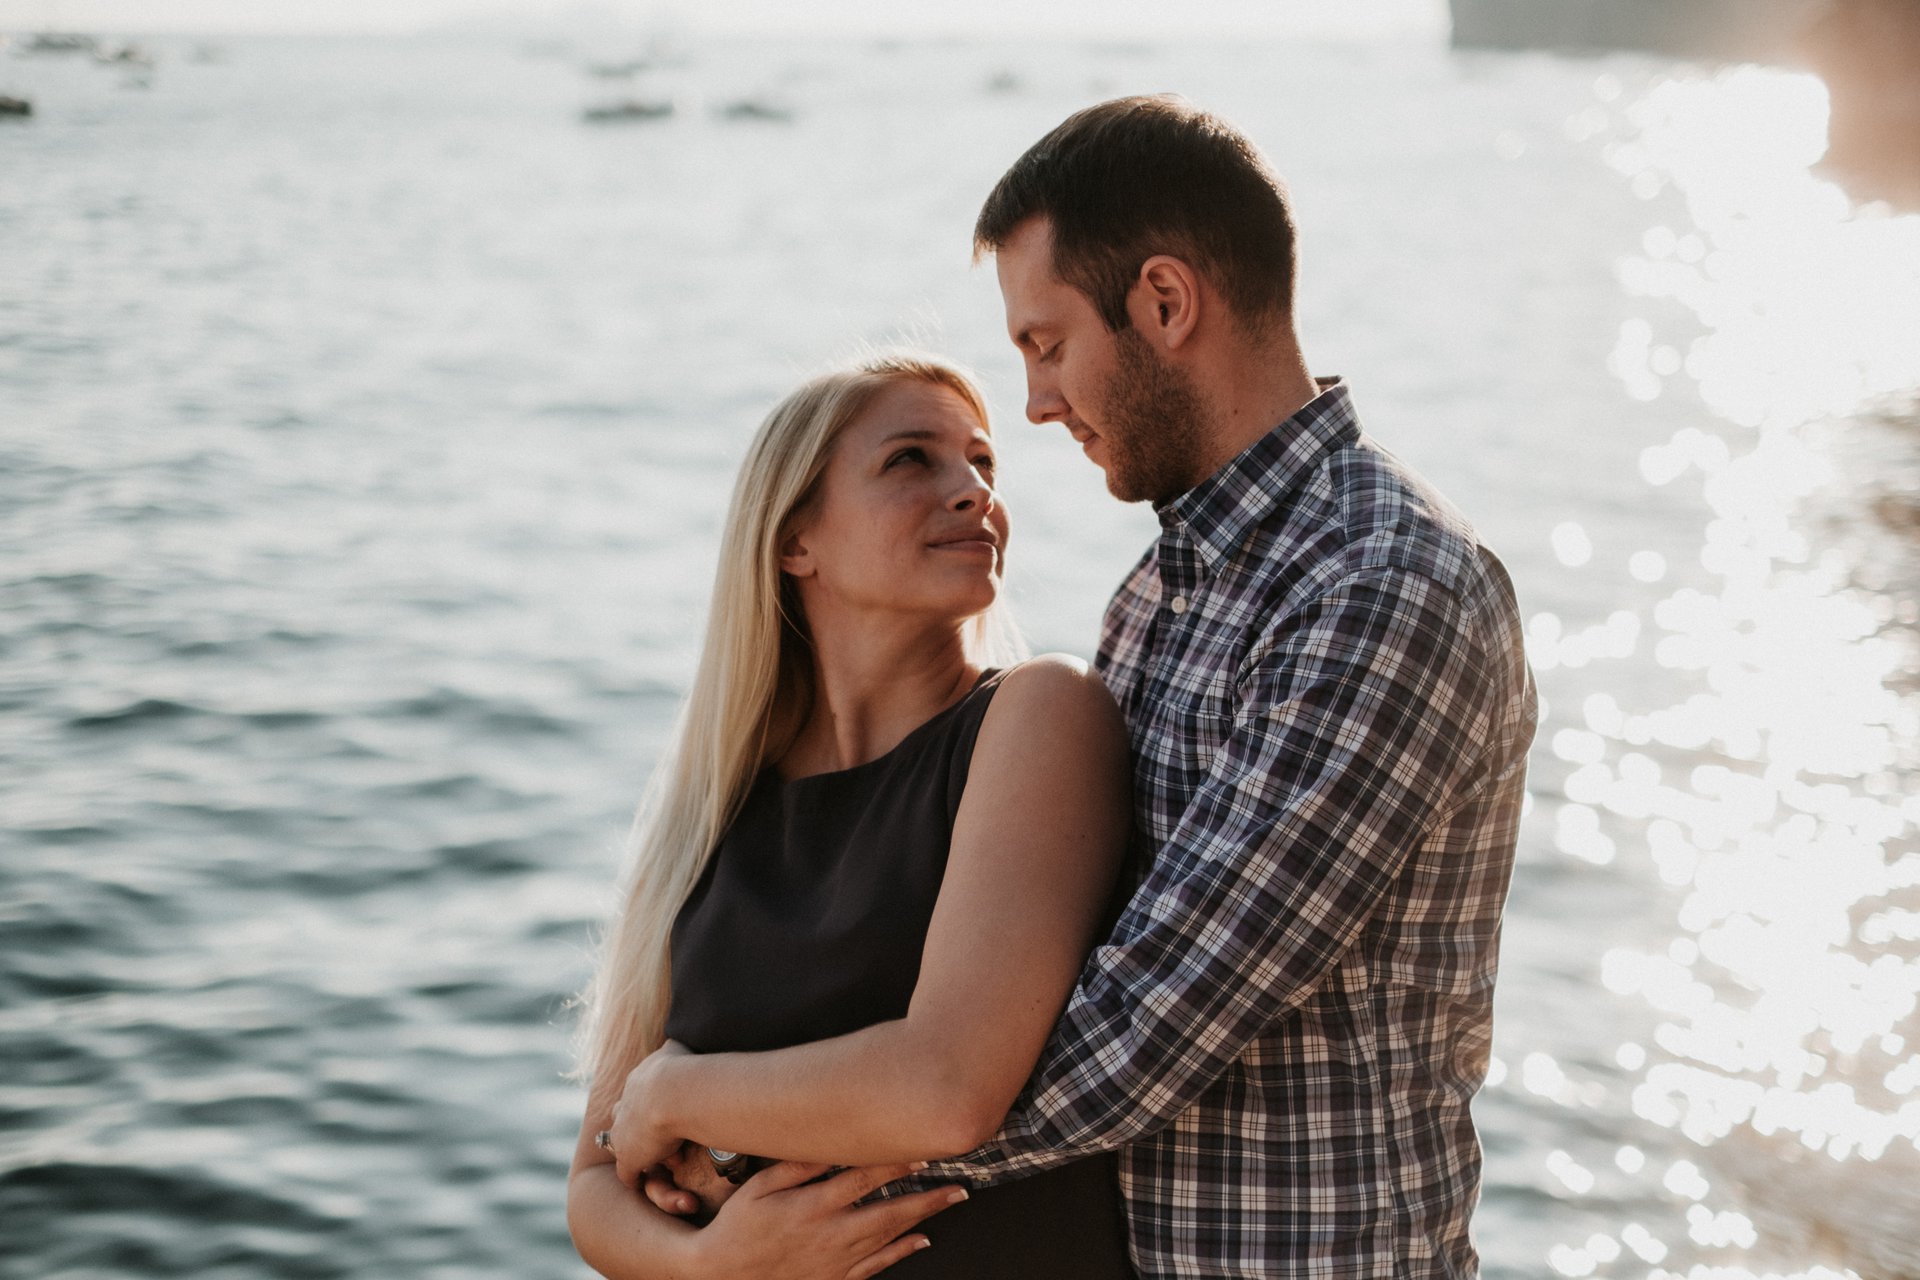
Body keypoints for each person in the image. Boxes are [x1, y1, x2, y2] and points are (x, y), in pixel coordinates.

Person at [619, 95, 1539, 1278]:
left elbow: (1126, 1042)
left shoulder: (1384, 587)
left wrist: (722, 1142)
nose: (1040, 403)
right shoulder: (1160, 590)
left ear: (1164, 302)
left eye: (1045, 344)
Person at [566, 353, 1139, 1280]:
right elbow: (595, 1182)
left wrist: (676, 1094)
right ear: (797, 541)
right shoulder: (715, 802)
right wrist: (718, 1263)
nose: (973, 493)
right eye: (912, 460)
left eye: (983, 465)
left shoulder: (1037, 716)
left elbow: (947, 1090)